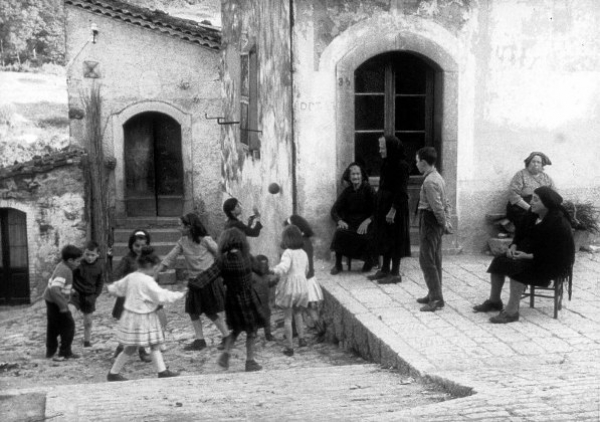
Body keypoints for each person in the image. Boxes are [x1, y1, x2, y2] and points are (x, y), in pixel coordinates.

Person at [473, 186, 575, 324]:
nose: (531, 202)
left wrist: (526, 256)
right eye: (532, 198)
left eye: (536, 199)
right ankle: (494, 301)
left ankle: (511, 311)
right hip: (529, 254)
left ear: (547, 203)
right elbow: (520, 234)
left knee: (519, 271)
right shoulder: (532, 214)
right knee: (499, 261)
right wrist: (513, 246)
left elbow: (554, 254)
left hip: (549, 263)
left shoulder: (558, 223)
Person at [190, 228, 267, 372]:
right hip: (249, 298)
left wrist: (193, 284)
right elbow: (261, 270)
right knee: (251, 331)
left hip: (232, 300)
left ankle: (226, 354)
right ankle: (250, 361)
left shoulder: (222, 260)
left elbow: (208, 276)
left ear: (225, 242)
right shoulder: (247, 256)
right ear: (241, 241)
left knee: (236, 329)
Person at [107, 246, 185, 381]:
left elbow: (115, 288)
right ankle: (162, 371)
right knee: (153, 343)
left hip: (131, 317)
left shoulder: (131, 277)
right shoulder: (147, 281)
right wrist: (179, 294)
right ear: (149, 265)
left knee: (131, 346)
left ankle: (114, 373)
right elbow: (160, 296)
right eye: (155, 267)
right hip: (144, 317)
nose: (156, 271)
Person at [154, 213, 229, 351]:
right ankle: (200, 340)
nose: (178, 228)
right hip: (195, 281)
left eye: (180, 225)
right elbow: (170, 257)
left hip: (208, 280)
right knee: (193, 311)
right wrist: (158, 270)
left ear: (189, 227)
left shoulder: (206, 240)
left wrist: (218, 272)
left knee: (210, 311)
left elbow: (220, 254)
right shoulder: (182, 242)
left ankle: (226, 336)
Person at [367, 135, 411, 284]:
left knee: (395, 238)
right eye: (380, 147)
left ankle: (395, 273)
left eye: (382, 147)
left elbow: (401, 191)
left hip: (395, 207)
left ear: (391, 148)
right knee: (385, 238)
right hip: (384, 205)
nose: (380, 150)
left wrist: (393, 210)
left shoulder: (401, 165)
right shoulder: (386, 163)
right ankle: (385, 269)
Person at [415, 147, 452, 312]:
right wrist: (446, 221)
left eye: (417, 161)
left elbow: (437, 207)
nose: (416, 164)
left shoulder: (430, 181)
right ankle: (433, 293)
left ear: (423, 163)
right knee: (435, 259)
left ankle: (436, 299)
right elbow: (447, 203)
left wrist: (444, 223)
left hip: (430, 221)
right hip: (435, 221)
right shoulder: (438, 177)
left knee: (427, 260)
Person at [110, 229, 152, 362]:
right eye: (136, 246)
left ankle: (142, 350)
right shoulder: (127, 259)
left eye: (143, 246)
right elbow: (116, 274)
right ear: (131, 245)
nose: (139, 249)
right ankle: (121, 347)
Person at [330, 162, 376, 274]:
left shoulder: (369, 190)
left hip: (367, 224)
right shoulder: (347, 192)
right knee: (340, 232)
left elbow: (379, 210)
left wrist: (367, 221)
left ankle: (368, 261)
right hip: (351, 224)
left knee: (368, 236)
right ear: (349, 177)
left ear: (362, 175)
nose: (356, 177)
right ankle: (338, 265)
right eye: (353, 174)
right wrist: (340, 221)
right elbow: (334, 210)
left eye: (358, 174)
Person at [272, 225, 310, 356]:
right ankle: (302, 338)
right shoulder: (303, 253)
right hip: (302, 287)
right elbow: (306, 270)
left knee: (288, 318)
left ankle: (290, 347)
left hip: (290, 288)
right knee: (298, 313)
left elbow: (284, 267)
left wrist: (273, 270)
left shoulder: (288, 253)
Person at [284, 215, 325, 336]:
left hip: (301, 281)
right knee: (305, 307)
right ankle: (317, 328)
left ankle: (295, 331)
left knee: (295, 307)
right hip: (307, 279)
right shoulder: (305, 241)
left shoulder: (299, 244)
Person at [44, 245, 83, 361]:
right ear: (70, 260)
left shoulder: (62, 266)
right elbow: (55, 289)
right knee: (69, 326)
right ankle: (64, 352)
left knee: (53, 327)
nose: (79, 263)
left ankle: (50, 351)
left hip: (50, 301)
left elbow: (58, 285)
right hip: (56, 303)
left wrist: (69, 290)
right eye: (77, 261)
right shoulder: (65, 270)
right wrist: (63, 307)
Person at [506, 151, 555, 229]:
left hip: (539, 208)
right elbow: (513, 194)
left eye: (538, 162)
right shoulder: (521, 175)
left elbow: (554, 194)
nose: (535, 164)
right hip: (521, 208)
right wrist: (530, 209)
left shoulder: (546, 178)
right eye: (533, 161)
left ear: (542, 165)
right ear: (528, 163)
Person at [71, 240, 104, 348]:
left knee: (88, 322)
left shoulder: (99, 267)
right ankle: (66, 341)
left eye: (92, 255)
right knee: (69, 316)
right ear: (84, 253)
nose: (90, 257)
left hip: (89, 296)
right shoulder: (78, 264)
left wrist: (95, 296)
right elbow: (69, 275)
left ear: (97, 255)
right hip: (76, 294)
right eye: (87, 254)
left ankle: (87, 341)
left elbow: (100, 283)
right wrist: (70, 288)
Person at [252, 255, 278, 341]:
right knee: (255, 318)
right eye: (261, 265)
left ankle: (268, 334)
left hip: (265, 301)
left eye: (265, 265)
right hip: (255, 301)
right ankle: (254, 333)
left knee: (267, 318)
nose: (263, 267)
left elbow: (269, 284)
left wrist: (275, 280)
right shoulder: (252, 275)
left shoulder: (266, 276)